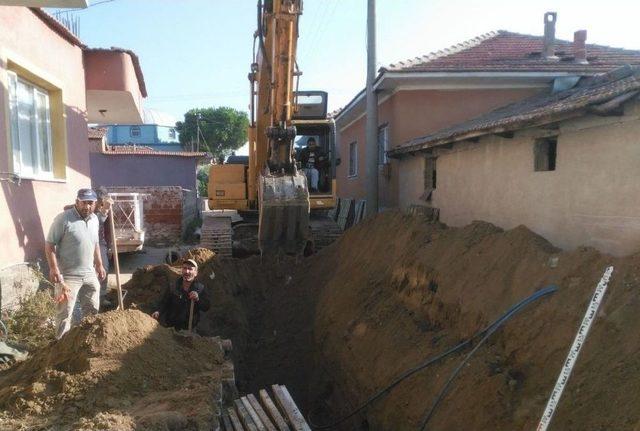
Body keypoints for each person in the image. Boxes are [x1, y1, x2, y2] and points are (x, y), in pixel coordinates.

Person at [45, 188, 106, 339]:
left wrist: (99, 264)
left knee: (92, 311)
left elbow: (95, 243)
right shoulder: (63, 219)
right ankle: (60, 347)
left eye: (90, 203)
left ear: (95, 204)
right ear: (77, 202)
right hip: (68, 276)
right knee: (64, 314)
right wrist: (54, 269)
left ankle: (87, 343)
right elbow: (49, 244)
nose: (87, 206)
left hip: (89, 273)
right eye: (83, 203)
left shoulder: (94, 219)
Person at [151, 259, 210, 331]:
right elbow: (164, 302)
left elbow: (206, 307)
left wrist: (197, 299)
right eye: (185, 268)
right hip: (172, 327)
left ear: (196, 273)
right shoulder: (173, 286)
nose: (187, 271)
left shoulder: (200, 288)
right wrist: (158, 311)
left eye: (190, 269)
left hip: (189, 328)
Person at [94, 187, 113, 309]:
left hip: (101, 243)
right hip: (88, 242)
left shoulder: (106, 209)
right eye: (100, 200)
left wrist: (110, 246)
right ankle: (92, 298)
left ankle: (102, 297)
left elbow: (108, 230)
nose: (102, 203)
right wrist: (103, 211)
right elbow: (96, 222)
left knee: (104, 269)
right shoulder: (88, 209)